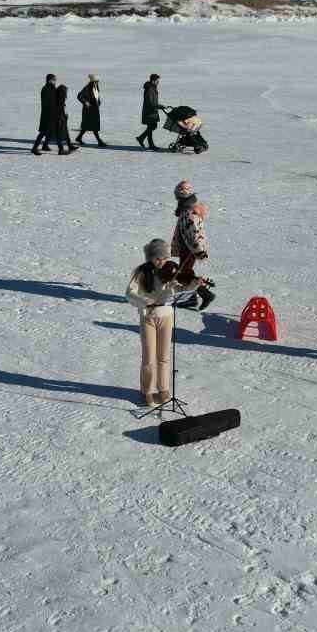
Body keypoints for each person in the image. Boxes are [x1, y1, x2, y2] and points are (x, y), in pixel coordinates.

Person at [126, 239, 201, 406]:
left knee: (164, 357)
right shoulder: (142, 272)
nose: (162, 262)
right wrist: (144, 300)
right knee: (149, 357)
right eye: (158, 258)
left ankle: (164, 389)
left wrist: (194, 284)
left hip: (166, 316)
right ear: (151, 257)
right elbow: (129, 293)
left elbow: (181, 288)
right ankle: (147, 391)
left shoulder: (171, 270)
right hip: (148, 317)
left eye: (165, 258)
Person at [171, 180, 216, 310]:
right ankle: (192, 297)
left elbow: (194, 234)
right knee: (185, 273)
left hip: (189, 248)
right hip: (187, 247)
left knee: (185, 274)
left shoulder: (190, 213)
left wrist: (198, 251)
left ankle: (205, 293)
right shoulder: (186, 209)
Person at [32, 73, 76, 155]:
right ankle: (35, 148)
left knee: (52, 131)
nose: (55, 81)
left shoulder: (48, 88)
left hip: (50, 115)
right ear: (50, 80)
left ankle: (57, 148)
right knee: (44, 132)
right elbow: (50, 103)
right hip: (50, 115)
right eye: (54, 79)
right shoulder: (49, 89)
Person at [75, 74, 105, 147]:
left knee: (87, 126)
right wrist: (85, 102)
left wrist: (99, 102)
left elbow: (97, 97)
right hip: (88, 110)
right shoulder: (87, 88)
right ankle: (99, 141)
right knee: (94, 126)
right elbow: (79, 96)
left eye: (97, 81)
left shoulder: (96, 88)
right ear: (92, 82)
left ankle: (79, 138)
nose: (97, 83)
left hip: (95, 109)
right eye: (96, 81)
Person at [136, 73, 161, 150]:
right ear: (153, 81)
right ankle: (150, 144)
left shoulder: (152, 87)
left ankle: (141, 138)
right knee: (151, 126)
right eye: (157, 80)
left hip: (152, 111)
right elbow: (150, 101)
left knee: (152, 126)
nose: (158, 82)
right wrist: (157, 106)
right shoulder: (150, 88)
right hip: (150, 111)